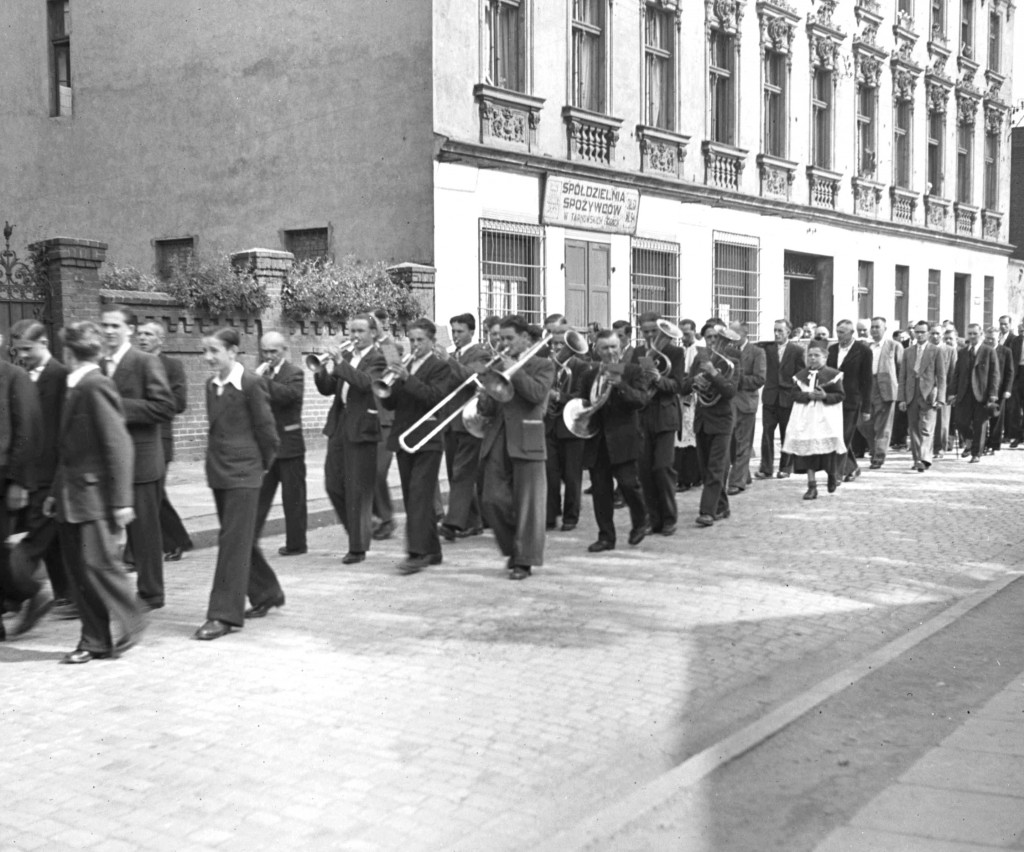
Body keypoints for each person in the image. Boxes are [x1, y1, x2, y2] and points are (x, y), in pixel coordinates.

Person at [48, 321, 143, 663]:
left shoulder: (95, 385)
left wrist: (121, 502)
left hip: (93, 497)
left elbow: (118, 445)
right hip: (71, 496)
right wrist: (53, 493)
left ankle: (130, 620)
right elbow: (69, 449)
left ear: (68, 352)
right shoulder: (75, 384)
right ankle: (95, 640)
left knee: (96, 566)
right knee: (80, 571)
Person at [193, 328, 282, 640]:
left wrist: (260, 467)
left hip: (245, 475)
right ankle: (267, 591)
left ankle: (222, 615)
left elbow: (268, 432)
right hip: (219, 473)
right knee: (238, 539)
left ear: (232, 351)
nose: (208, 357)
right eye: (205, 351)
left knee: (231, 543)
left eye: (214, 351)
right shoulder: (211, 385)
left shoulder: (251, 383)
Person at [99, 305, 175, 610]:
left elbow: (164, 407)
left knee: (144, 534)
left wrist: (116, 406)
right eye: (104, 326)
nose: (108, 331)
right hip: (109, 464)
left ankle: (151, 593)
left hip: (142, 463)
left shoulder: (143, 362)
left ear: (129, 329)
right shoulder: (100, 364)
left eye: (115, 326)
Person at [478, 316, 554, 580]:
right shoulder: (497, 363)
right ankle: (514, 548)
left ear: (525, 338)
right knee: (491, 499)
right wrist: (484, 394)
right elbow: (488, 409)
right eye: (501, 339)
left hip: (527, 435)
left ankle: (524, 560)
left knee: (528, 504)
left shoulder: (543, 365)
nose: (504, 343)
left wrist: (515, 370)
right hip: (498, 436)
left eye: (510, 338)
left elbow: (535, 395)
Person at [7, 320, 70, 633]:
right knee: (51, 542)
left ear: (44, 342)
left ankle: (34, 597)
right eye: (18, 351)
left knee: (28, 547)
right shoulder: (22, 377)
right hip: (29, 475)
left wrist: (57, 484)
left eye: (28, 349)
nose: (22, 356)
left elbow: (62, 433)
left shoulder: (60, 376)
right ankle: (65, 596)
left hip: (49, 478)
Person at [314, 315, 386, 564]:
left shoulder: (378, 358)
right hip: (340, 424)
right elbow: (327, 389)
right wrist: (322, 368)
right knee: (333, 483)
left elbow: (366, 383)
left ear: (373, 334)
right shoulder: (346, 356)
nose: (354, 335)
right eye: (351, 330)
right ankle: (360, 529)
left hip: (363, 427)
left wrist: (339, 363)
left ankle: (357, 546)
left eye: (360, 331)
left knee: (357, 489)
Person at [380, 318, 450, 574]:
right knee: (413, 496)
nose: (415, 344)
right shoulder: (405, 364)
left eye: (420, 340)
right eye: (412, 340)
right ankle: (432, 550)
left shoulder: (440, 367)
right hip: (404, 438)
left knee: (420, 495)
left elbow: (435, 398)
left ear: (432, 342)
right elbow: (392, 405)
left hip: (427, 439)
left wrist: (407, 378)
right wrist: (387, 388)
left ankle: (417, 553)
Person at [575, 330, 649, 551]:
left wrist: (620, 385)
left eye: (614, 347)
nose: (610, 352)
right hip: (597, 441)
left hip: (623, 439)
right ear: (597, 350)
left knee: (629, 485)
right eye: (605, 348)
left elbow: (641, 400)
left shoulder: (633, 371)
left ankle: (640, 521)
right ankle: (606, 537)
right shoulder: (589, 375)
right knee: (600, 491)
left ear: (620, 347)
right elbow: (580, 400)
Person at [135, 321, 193, 562]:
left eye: (148, 334)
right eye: (139, 334)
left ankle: (173, 541)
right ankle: (173, 541)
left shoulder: (172, 366)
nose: (142, 338)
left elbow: (179, 403)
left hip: (160, 438)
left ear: (161, 339)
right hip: (136, 439)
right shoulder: (133, 364)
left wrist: (152, 403)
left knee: (154, 494)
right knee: (146, 495)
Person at [0, 332, 41, 643]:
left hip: (4, 476)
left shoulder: (14, 377)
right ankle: (23, 592)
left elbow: (26, 430)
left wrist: (18, 481)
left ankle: (25, 591)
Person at [253, 332, 308, 556]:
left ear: (284, 350)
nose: (268, 356)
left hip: (289, 445)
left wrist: (260, 381)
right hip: (266, 447)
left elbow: (288, 396)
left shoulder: (295, 373)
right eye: (264, 351)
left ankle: (297, 544)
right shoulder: (261, 373)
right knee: (259, 497)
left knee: (293, 499)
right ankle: (249, 540)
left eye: (273, 351)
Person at [680, 323, 739, 527]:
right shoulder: (699, 358)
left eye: (716, 337)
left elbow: (731, 391)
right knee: (706, 469)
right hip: (702, 419)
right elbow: (685, 386)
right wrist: (695, 381)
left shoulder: (732, 361)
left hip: (722, 420)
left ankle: (707, 512)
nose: (713, 341)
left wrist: (714, 373)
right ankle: (722, 506)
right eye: (709, 337)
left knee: (715, 468)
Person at [632, 312, 685, 536]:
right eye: (647, 332)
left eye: (655, 331)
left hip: (665, 416)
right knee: (644, 471)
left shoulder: (675, 352)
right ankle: (653, 519)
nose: (651, 335)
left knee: (663, 468)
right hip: (643, 417)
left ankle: (669, 518)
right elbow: (631, 381)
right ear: (640, 332)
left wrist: (657, 379)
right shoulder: (636, 352)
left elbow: (678, 385)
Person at [439, 313, 487, 541]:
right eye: (453, 331)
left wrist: (448, 362)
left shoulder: (480, 353)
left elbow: (471, 377)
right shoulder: (451, 355)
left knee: (462, 473)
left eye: (459, 331)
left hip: (468, 420)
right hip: (450, 422)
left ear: (471, 332)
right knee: (454, 473)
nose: (455, 336)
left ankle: (453, 523)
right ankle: (473, 521)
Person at [783, 340, 846, 500]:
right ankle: (812, 486)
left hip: (825, 416)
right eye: (809, 355)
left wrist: (825, 396)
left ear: (825, 357)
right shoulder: (800, 376)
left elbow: (840, 395)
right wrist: (807, 395)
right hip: (806, 418)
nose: (812, 358)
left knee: (828, 448)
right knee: (808, 451)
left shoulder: (833, 375)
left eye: (816, 355)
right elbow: (794, 394)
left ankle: (832, 474)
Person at [544, 322, 586, 533]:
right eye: (554, 344)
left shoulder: (581, 366)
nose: (556, 348)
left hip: (571, 428)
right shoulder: (547, 365)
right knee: (550, 474)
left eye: (561, 345)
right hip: (550, 426)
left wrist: (558, 396)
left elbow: (583, 396)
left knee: (572, 477)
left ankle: (571, 516)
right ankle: (550, 515)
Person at [757, 319, 805, 479]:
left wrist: (795, 393)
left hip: (787, 398)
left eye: (780, 331)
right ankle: (766, 467)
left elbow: (801, 375)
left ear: (788, 333)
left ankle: (786, 467)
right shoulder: (767, 349)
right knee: (767, 433)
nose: (777, 334)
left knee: (787, 433)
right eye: (775, 330)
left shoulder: (796, 350)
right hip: (770, 396)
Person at [826, 319, 872, 482]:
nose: (839, 335)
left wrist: (866, 408)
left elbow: (867, 381)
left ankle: (837, 474)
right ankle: (852, 467)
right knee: (836, 435)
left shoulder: (863, 351)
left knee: (844, 436)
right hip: (833, 399)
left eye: (842, 332)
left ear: (852, 333)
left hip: (852, 400)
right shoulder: (831, 350)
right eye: (837, 331)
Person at [898, 319, 947, 472]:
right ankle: (917, 458)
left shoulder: (936, 351)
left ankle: (924, 458)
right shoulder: (908, 352)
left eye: (922, 332)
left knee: (926, 428)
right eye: (917, 332)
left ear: (928, 333)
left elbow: (941, 376)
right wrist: (901, 398)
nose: (919, 335)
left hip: (928, 394)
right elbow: (903, 377)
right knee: (913, 429)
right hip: (911, 394)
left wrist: (940, 398)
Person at [948, 324, 999, 464]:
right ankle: (969, 442)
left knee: (980, 424)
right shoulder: (963, 352)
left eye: (974, 334)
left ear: (980, 334)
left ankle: (977, 453)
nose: (971, 337)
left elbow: (995, 374)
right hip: (964, 393)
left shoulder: (988, 351)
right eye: (969, 333)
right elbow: (956, 373)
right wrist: (952, 392)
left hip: (982, 394)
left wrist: (993, 394)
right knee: (960, 421)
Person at [370, 308, 400, 540]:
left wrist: (379, 337)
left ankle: (387, 518)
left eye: (373, 323)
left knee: (378, 472)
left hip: (386, 419)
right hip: (367, 419)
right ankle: (377, 518)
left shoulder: (389, 345)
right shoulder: (362, 348)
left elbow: (395, 369)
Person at [726, 320, 765, 496]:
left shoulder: (757, 352)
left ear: (744, 333)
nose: (731, 338)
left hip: (746, 402)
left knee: (743, 443)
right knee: (732, 443)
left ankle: (737, 482)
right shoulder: (726, 350)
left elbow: (759, 379)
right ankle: (744, 474)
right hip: (728, 402)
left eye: (734, 334)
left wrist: (736, 379)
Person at [859, 317, 902, 470]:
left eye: (878, 327)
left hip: (886, 388)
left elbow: (900, 369)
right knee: (864, 423)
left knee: (883, 425)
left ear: (885, 329)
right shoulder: (867, 347)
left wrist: (899, 391)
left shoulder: (893, 346)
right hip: (868, 386)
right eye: (873, 327)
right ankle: (874, 449)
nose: (874, 330)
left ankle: (879, 456)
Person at [674, 319, 702, 492]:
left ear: (694, 332)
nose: (684, 337)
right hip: (681, 398)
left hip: (692, 398)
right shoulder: (682, 350)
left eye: (687, 334)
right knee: (681, 437)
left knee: (690, 438)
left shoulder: (697, 350)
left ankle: (689, 478)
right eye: (682, 334)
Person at [983, 326, 1014, 455]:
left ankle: (993, 445)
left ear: (999, 337)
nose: (990, 341)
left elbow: (1009, 372)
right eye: (988, 338)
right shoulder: (982, 350)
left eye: (993, 338)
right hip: (983, 389)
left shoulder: (1005, 351)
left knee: (996, 418)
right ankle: (982, 443)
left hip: (999, 390)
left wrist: (1007, 389)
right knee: (982, 417)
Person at [930, 324, 957, 460]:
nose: (935, 336)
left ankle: (939, 448)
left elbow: (953, 372)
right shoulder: (925, 348)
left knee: (942, 422)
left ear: (942, 335)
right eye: (932, 333)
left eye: (937, 333)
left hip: (943, 389)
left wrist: (950, 392)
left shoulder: (950, 350)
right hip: (926, 390)